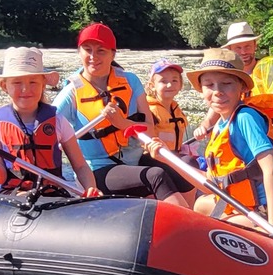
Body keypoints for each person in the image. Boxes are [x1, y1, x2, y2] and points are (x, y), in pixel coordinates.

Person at [55, 22, 187, 202]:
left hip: (136, 160)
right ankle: (186, 226)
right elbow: (47, 126)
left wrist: (121, 123)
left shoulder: (130, 81)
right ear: (79, 52)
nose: (93, 57)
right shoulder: (71, 93)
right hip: (98, 170)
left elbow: (149, 130)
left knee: (185, 165)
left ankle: (199, 221)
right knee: (156, 175)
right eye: (88, 49)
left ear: (112, 54)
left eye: (101, 50)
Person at [186, 48, 273, 233]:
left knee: (211, 232)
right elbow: (213, 181)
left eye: (226, 84)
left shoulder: (245, 118)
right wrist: (163, 158)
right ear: (201, 89)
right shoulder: (221, 123)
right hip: (243, 205)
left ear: (243, 88)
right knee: (200, 204)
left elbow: (271, 169)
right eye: (209, 85)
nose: (217, 92)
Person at [0, 47, 99, 195]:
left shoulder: (58, 120)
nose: (26, 89)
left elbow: (80, 166)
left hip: (51, 194)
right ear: (4, 86)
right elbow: (0, 178)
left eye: (33, 82)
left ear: (43, 85)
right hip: (12, 196)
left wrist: (91, 188)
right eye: (17, 83)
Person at [142, 58, 196, 162]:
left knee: (190, 160)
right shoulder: (148, 110)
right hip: (153, 157)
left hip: (173, 154)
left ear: (180, 85)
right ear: (152, 86)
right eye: (163, 81)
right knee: (189, 162)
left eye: (174, 80)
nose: (170, 85)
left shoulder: (176, 109)